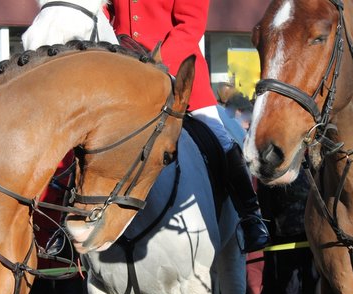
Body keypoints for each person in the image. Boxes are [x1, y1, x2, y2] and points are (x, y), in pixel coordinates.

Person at [104, 0, 269, 253]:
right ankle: (73, 218)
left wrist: (156, 64)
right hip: (123, 73)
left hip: (179, 72)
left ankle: (250, 215)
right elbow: (103, 11)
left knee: (219, 137)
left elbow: (189, 25)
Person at [23, 152, 86, 294]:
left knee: (68, 286)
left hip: (67, 224)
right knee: (40, 286)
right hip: (41, 224)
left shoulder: (74, 155)